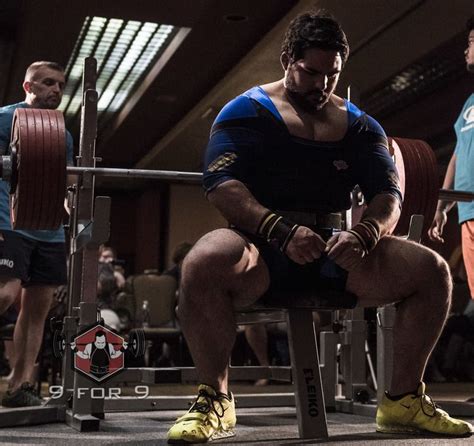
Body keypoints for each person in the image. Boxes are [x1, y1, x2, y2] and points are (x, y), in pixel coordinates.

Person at [167, 12, 474, 443]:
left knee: (433, 270)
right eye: (311, 72)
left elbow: (389, 195)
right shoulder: (246, 112)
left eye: (331, 74)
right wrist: (281, 230)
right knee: (202, 260)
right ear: (287, 59)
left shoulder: (360, 126)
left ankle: (402, 400)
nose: (321, 85)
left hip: (336, 252)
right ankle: (215, 402)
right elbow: (221, 185)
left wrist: (366, 233)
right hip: (261, 249)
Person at [0, 61, 74, 407]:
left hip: (49, 230)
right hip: (7, 221)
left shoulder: (64, 134)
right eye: (47, 83)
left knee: (37, 309)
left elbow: (67, 185)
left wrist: (74, 212)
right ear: (28, 87)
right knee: (5, 294)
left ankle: (20, 385)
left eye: (60, 85)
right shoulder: (4, 119)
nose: (56, 90)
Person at [429, 16, 474, 301]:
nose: (466, 50)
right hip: (468, 212)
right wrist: (442, 207)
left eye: (471, 42)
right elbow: (458, 154)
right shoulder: (469, 104)